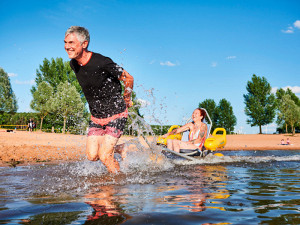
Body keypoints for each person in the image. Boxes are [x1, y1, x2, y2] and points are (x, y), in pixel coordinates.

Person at [64, 26, 134, 173]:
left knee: (105, 156)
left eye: (71, 43)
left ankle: (116, 190)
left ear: (84, 44)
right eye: (65, 42)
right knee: (92, 156)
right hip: (96, 117)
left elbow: (128, 78)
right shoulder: (73, 64)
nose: (67, 47)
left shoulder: (102, 62)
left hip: (116, 113)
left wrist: (127, 99)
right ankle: (120, 148)